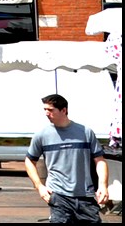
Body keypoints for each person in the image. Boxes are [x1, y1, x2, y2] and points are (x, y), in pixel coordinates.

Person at [24, 93, 110, 224]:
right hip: (59, 196)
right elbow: (29, 161)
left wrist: (103, 186)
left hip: (85, 196)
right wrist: (39, 186)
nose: (46, 113)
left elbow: (100, 161)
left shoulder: (86, 132)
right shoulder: (41, 135)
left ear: (64, 110)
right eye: (45, 110)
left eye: (50, 110)